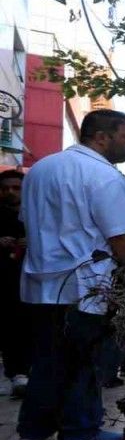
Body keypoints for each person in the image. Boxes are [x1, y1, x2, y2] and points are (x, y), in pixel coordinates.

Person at [17, 109, 125, 440]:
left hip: (40, 283)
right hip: (86, 285)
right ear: (101, 137)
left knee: (48, 358)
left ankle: (34, 429)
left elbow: (29, 223)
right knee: (84, 359)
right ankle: (81, 431)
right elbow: (123, 240)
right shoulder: (105, 177)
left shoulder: (40, 170)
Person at [1, 169, 32, 398]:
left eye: (15, 188)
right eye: (5, 188)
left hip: (32, 280)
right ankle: (17, 373)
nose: (10, 193)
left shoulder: (36, 214)